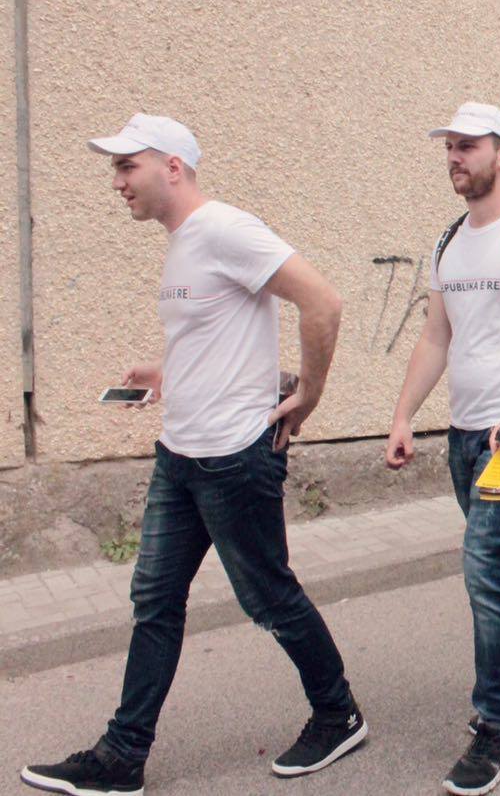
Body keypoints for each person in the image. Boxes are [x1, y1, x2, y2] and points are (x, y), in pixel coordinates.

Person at [22, 115, 363, 795]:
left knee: (268, 597)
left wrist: (310, 395)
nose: (117, 182)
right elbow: (216, 338)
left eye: (128, 166)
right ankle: (122, 757)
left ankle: (338, 714)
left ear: (172, 167)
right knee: (155, 600)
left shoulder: (227, 229)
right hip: (180, 455)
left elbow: (322, 303)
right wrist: (165, 374)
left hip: (234, 458)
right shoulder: (182, 244)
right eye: (115, 168)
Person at [384, 102, 500, 795]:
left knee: (485, 569)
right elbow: (437, 336)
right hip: (464, 435)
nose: (455, 157)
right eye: (450, 147)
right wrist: (403, 415)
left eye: (469, 146)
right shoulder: (450, 239)